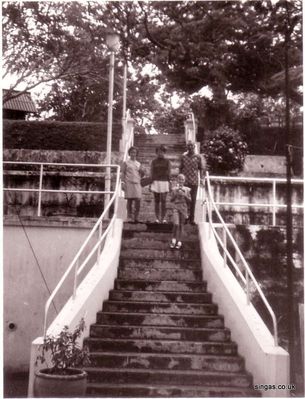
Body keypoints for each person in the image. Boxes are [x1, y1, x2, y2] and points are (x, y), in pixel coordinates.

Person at [179, 141, 204, 224]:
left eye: (192, 146)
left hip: (194, 182)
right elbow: (181, 168)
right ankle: (185, 218)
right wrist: (180, 179)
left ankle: (192, 219)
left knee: (193, 200)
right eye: (189, 146)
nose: (190, 147)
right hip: (185, 182)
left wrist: (201, 179)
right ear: (187, 147)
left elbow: (201, 169)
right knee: (185, 200)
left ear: (194, 147)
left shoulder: (198, 157)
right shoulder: (183, 157)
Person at [121, 146, 145, 223]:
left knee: (138, 200)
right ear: (129, 153)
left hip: (137, 183)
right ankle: (129, 216)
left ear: (136, 154)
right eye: (131, 152)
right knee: (129, 200)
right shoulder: (126, 163)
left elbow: (142, 174)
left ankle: (136, 217)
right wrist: (122, 183)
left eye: (134, 152)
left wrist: (143, 172)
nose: (133, 154)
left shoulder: (139, 163)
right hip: (129, 183)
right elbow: (123, 173)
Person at [150, 145, 171, 223]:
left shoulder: (167, 161)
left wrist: (169, 183)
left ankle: (163, 218)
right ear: (156, 153)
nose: (160, 153)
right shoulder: (154, 161)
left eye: (162, 152)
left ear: (164, 152)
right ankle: (157, 218)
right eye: (158, 152)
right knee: (157, 200)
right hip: (156, 182)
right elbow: (151, 172)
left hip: (164, 181)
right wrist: (150, 182)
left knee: (164, 200)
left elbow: (169, 172)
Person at [170, 174, 191, 249]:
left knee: (181, 225)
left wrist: (185, 195)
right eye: (179, 179)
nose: (181, 181)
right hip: (176, 207)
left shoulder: (187, 189)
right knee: (176, 224)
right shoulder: (174, 189)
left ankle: (179, 241)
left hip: (183, 208)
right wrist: (176, 194)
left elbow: (190, 200)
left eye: (182, 179)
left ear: (184, 181)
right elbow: (171, 200)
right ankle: (173, 239)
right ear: (177, 180)